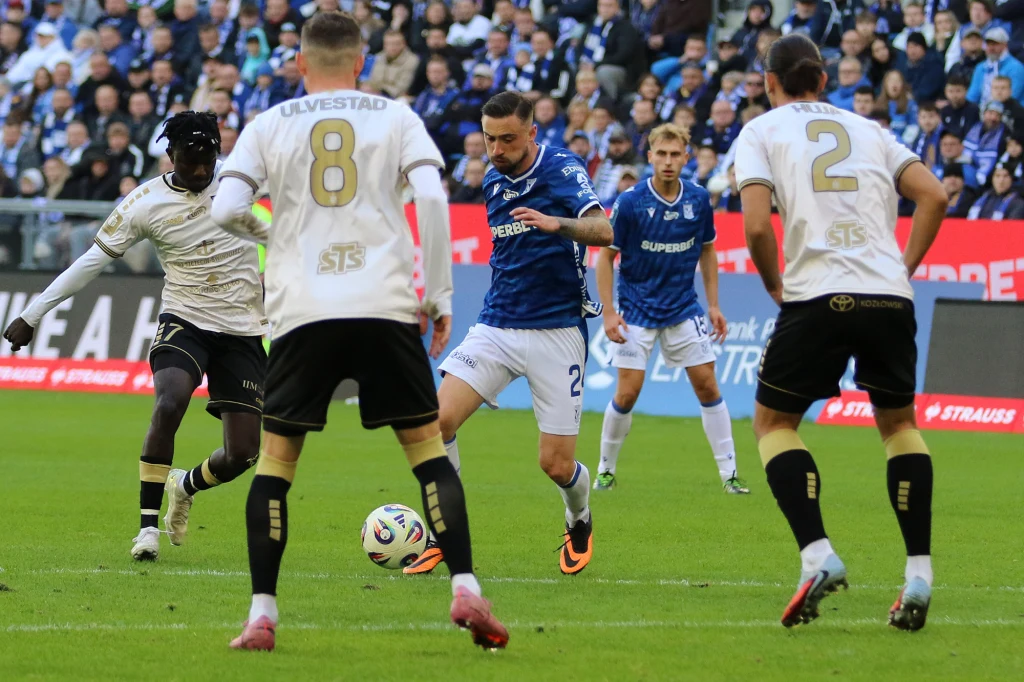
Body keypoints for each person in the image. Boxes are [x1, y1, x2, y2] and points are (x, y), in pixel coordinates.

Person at [208, 11, 507, 652]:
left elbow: (227, 207)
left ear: (299, 64)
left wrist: (273, 234)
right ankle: (465, 587)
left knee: (277, 463)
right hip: (384, 304)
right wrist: (439, 293)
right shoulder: (394, 116)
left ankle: (262, 614)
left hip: (303, 309)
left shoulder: (267, 124)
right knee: (428, 454)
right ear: (362, 61)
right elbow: (430, 197)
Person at [734, 33, 948, 631]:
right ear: (824, 80)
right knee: (900, 426)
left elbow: (755, 227)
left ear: (769, 81)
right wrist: (901, 269)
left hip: (817, 293)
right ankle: (920, 574)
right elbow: (934, 195)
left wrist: (777, 284)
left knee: (774, 424)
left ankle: (818, 555)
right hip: (889, 295)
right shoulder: (870, 130)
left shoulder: (761, 131)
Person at [2, 112, 267, 562]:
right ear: (170, 156)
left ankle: (184, 486)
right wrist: (32, 313)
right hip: (185, 318)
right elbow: (90, 261)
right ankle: (147, 531)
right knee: (169, 402)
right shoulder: (144, 203)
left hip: (243, 327)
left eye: (208, 160)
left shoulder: (243, 182)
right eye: (189, 161)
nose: (200, 171)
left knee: (242, 453)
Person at [402, 91, 613, 579]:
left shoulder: (562, 169)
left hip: (557, 331)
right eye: (490, 139)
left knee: (557, 466)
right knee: (436, 425)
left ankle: (578, 519)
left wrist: (555, 223)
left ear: (532, 133)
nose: (496, 150)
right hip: (497, 325)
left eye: (508, 139)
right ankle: (443, 533)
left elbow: (603, 231)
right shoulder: (493, 178)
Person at [593, 123, 749, 494]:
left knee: (708, 385)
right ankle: (605, 470)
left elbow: (708, 251)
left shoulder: (697, 200)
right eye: (660, 154)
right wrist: (609, 312)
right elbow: (605, 257)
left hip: (683, 308)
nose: (667, 161)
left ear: (686, 157)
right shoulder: (630, 202)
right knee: (627, 393)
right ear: (649, 157)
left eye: (674, 154)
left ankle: (729, 476)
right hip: (636, 310)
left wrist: (713, 304)